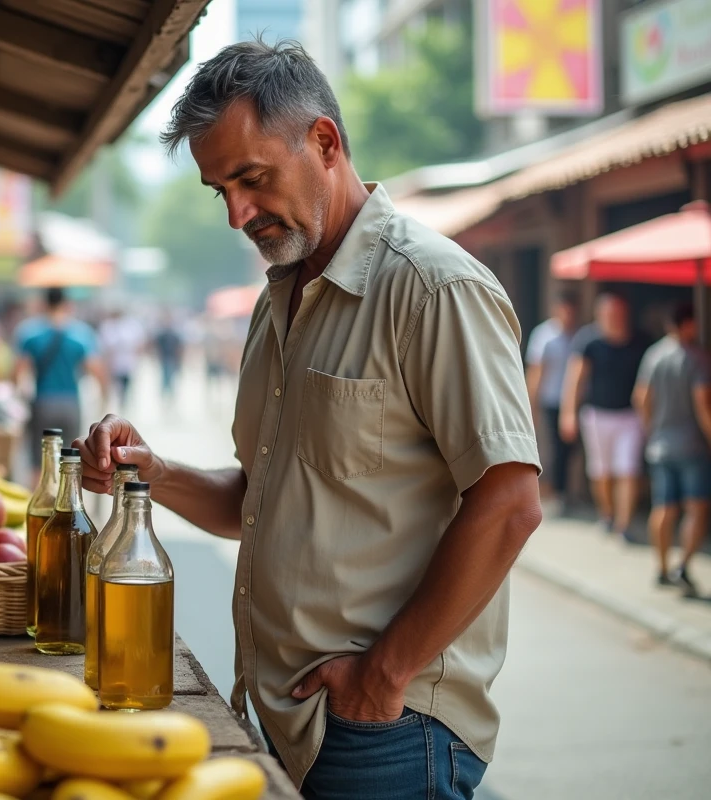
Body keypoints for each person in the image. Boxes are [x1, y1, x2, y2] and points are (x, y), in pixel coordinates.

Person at [77, 39, 541, 799]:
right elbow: (257, 502)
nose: (236, 213)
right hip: (294, 721)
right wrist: (151, 474)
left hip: (387, 730)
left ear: (324, 142)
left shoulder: (432, 288)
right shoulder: (279, 302)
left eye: (252, 179)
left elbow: (510, 504)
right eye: (218, 189)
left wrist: (381, 677)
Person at [633, 303, 710, 595]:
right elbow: (703, 405)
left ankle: (662, 567)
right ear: (689, 324)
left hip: (660, 445)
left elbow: (641, 397)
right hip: (691, 445)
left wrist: (651, 430)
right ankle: (684, 566)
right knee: (696, 508)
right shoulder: (698, 359)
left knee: (663, 507)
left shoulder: (653, 355)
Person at [560, 293, 649, 539]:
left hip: (630, 416)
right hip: (597, 415)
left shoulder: (640, 341)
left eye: (619, 313)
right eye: (610, 314)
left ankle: (624, 524)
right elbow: (576, 378)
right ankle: (608, 514)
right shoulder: (589, 341)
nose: (615, 319)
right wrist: (568, 413)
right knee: (602, 471)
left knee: (628, 469)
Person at [16, 287, 106, 465]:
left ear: (44, 304)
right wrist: (104, 398)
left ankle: (41, 492)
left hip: (42, 402)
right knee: (72, 458)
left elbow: (19, 371)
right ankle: (68, 491)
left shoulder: (30, 332)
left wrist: (18, 398)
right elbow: (96, 369)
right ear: (66, 304)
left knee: (40, 461)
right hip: (70, 403)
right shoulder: (81, 334)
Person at [525, 293, 579, 509]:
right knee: (555, 449)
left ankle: (568, 491)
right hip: (551, 399)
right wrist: (532, 403)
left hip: (575, 401)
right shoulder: (544, 335)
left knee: (571, 450)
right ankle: (557, 493)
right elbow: (536, 371)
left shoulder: (579, 335)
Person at [98, 309, 146, 408]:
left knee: (125, 383)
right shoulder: (107, 326)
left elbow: (139, 344)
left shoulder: (131, 326)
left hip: (127, 362)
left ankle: (123, 401)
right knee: (114, 384)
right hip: (113, 363)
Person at [155, 313, 185, 401]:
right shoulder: (162, 334)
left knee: (170, 377)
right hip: (165, 358)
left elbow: (179, 347)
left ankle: (169, 395)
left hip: (172, 358)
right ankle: (165, 395)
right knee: (165, 377)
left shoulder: (175, 334)